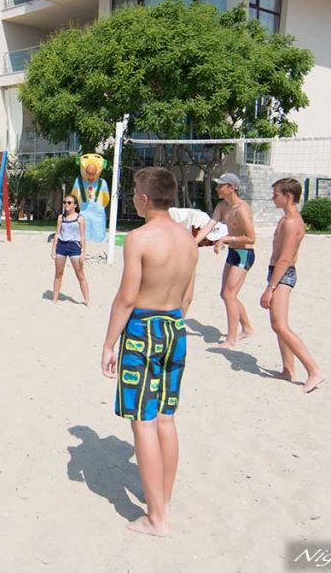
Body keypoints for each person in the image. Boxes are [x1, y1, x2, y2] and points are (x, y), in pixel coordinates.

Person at [101, 167, 198, 538]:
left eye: (134, 194)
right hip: (175, 326)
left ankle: (157, 517)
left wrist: (109, 343)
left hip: (144, 328)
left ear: (143, 198)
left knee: (143, 420)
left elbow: (127, 298)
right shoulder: (188, 239)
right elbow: (188, 296)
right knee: (166, 418)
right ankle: (163, 500)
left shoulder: (139, 238)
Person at [262, 178, 325, 393]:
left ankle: (314, 370)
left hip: (283, 274)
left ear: (288, 196)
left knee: (280, 325)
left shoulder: (292, 223)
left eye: (276, 195)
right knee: (278, 324)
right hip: (277, 272)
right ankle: (288, 369)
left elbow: (285, 259)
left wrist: (270, 288)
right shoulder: (286, 219)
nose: (273, 198)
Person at [193, 173, 256, 347]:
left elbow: (251, 238)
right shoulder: (222, 206)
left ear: (232, 187)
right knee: (226, 294)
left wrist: (226, 239)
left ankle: (231, 338)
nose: (217, 188)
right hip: (233, 252)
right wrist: (194, 242)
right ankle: (247, 328)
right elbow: (209, 226)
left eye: (221, 185)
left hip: (244, 254)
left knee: (229, 295)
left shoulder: (241, 209)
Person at [50, 195, 90, 306]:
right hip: (61, 246)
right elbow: (57, 234)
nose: (66, 204)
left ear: (75, 205)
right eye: (64, 202)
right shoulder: (60, 218)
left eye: (69, 202)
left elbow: (82, 236)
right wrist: (53, 249)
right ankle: (55, 299)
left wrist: (83, 252)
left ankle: (87, 300)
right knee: (58, 274)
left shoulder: (80, 218)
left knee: (80, 274)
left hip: (74, 246)